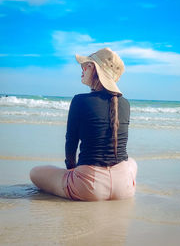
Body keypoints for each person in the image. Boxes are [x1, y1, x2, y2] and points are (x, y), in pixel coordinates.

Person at [30, 48, 137, 201]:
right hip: (124, 188)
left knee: (34, 172)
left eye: (86, 65)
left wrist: (72, 172)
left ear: (95, 70)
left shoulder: (80, 100)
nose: (82, 69)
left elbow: (71, 143)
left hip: (90, 187)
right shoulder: (125, 103)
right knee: (131, 162)